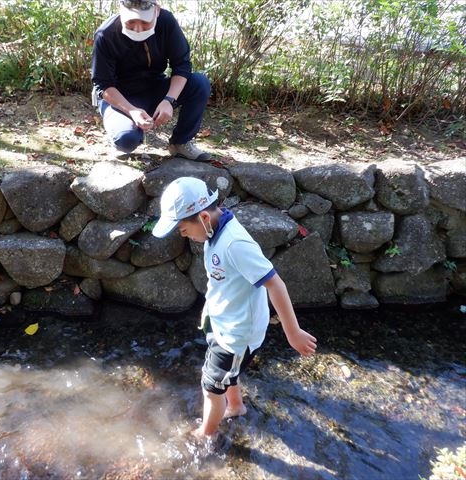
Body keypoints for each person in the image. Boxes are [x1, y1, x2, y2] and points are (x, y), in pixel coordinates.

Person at [152, 177, 318, 441]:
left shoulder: (235, 244)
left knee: (210, 388)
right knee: (228, 374)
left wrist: (293, 332)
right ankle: (236, 406)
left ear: (204, 217)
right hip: (223, 321)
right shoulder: (215, 230)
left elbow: (275, 284)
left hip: (236, 335)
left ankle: (205, 435)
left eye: (183, 229)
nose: (183, 235)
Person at [91, 0, 212, 161]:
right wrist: (132, 111)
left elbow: (182, 65)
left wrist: (169, 100)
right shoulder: (105, 35)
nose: (138, 29)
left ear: (157, 11)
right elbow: (103, 85)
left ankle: (180, 143)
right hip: (120, 96)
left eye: (145, 22)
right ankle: (126, 130)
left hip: (155, 86)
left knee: (199, 83)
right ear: (120, 12)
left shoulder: (166, 22)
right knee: (125, 140)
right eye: (131, 22)